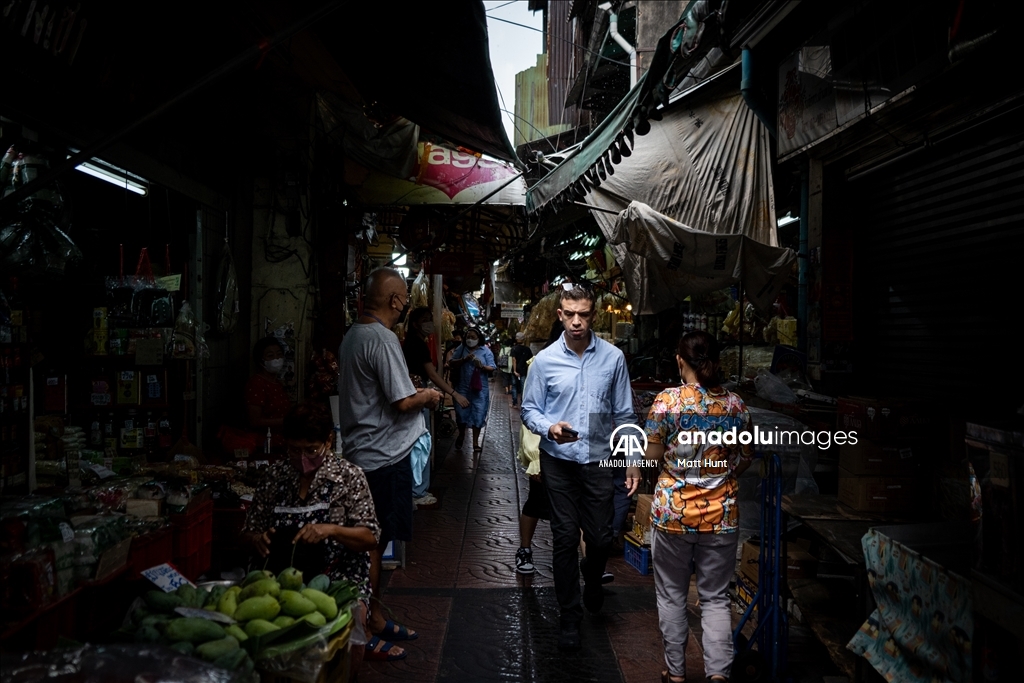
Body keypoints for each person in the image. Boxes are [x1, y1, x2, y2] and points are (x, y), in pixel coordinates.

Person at [520, 282, 641, 650]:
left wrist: (633, 461)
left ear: (594, 314)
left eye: (583, 314)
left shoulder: (613, 358)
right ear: (560, 314)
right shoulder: (544, 362)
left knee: (602, 536)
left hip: (601, 462)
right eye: (569, 314)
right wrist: (549, 427)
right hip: (559, 463)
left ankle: (592, 578)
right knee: (565, 538)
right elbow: (529, 410)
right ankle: (569, 617)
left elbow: (624, 413)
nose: (576, 322)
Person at [337, 268, 442, 662]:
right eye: (405, 299)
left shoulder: (354, 334)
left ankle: (376, 617)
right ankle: (365, 628)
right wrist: (429, 395)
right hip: (382, 458)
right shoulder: (381, 339)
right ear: (396, 300)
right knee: (372, 548)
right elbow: (401, 402)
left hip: (365, 453)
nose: (407, 306)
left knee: (375, 544)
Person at [643, 331, 754, 683]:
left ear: (680, 361)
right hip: (721, 517)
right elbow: (745, 458)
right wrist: (720, 471)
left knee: (672, 596)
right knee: (716, 599)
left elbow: (651, 456)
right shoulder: (736, 405)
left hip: (673, 516)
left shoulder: (666, 402)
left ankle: (675, 674)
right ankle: (718, 675)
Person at [241, 401, 378, 681]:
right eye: (294, 449)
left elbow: (370, 537)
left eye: (311, 450)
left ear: (328, 441)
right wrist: (257, 539)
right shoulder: (274, 477)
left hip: (340, 575)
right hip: (280, 576)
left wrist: (331, 530)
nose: (302, 458)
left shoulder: (349, 477)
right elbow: (248, 530)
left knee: (350, 628)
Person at [402, 307, 470, 507]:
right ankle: (418, 491)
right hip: (417, 393)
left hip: (411, 391)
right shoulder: (417, 344)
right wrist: (454, 393)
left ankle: (416, 489)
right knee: (421, 442)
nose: (430, 323)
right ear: (415, 323)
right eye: (426, 320)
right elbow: (432, 375)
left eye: (430, 319)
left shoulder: (411, 342)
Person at [448, 327, 496, 453]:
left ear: (479, 339)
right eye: (468, 337)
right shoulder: (461, 349)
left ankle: (475, 442)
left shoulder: (485, 351)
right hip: (462, 387)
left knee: (479, 414)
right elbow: (451, 362)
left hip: (480, 389)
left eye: (473, 337)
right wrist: (464, 360)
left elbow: (492, 367)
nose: (470, 339)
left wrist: (482, 366)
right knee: (461, 413)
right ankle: (462, 434)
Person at [246, 337, 290, 431]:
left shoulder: (277, 383)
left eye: (279, 354)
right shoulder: (256, 383)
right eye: (270, 356)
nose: (277, 358)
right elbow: (254, 421)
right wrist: (287, 421)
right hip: (265, 441)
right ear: (260, 361)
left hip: (281, 439)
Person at [509, 331, 533, 408]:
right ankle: (523, 404)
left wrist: (515, 371)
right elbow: (530, 361)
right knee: (523, 387)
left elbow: (514, 360)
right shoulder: (527, 349)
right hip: (524, 371)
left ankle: (514, 403)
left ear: (516, 339)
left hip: (515, 371)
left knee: (514, 386)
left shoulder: (514, 349)